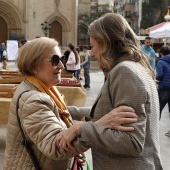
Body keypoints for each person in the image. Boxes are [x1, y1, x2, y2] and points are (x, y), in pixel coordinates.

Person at [3, 37, 138, 169]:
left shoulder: (39, 87)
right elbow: (56, 146)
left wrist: (104, 112)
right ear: (34, 66)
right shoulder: (33, 100)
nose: (62, 65)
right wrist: (100, 124)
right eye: (55, 60)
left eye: (62, 59)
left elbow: (60, 114)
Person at [57, 13, 163, 170]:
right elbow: (108, 112)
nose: (92, 54)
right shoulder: (135, 67)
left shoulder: (125, 71)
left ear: (106, 43)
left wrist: (81, 128)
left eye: (93, 46)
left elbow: (131, 142)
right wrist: (65, 111)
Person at [156, 45, 170, 136]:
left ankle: (154, 131)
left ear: (160, 54)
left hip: (164, 87)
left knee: (158, 109)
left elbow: (159, 75)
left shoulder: (160, 61)